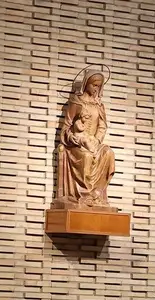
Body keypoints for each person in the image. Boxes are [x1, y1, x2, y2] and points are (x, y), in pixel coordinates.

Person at [54, 67, 118, 210]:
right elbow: (67, 126)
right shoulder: (77, 102)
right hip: (77, 144)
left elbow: (102, 126)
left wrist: (97, 139)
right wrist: (71, 137)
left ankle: (96, 194)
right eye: (93, 84)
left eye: (98, 86)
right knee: (87, 156)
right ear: (86, 84)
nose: (95, 88)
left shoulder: (99, 105)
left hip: (93, 142)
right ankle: (85, 196)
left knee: (108, 153)